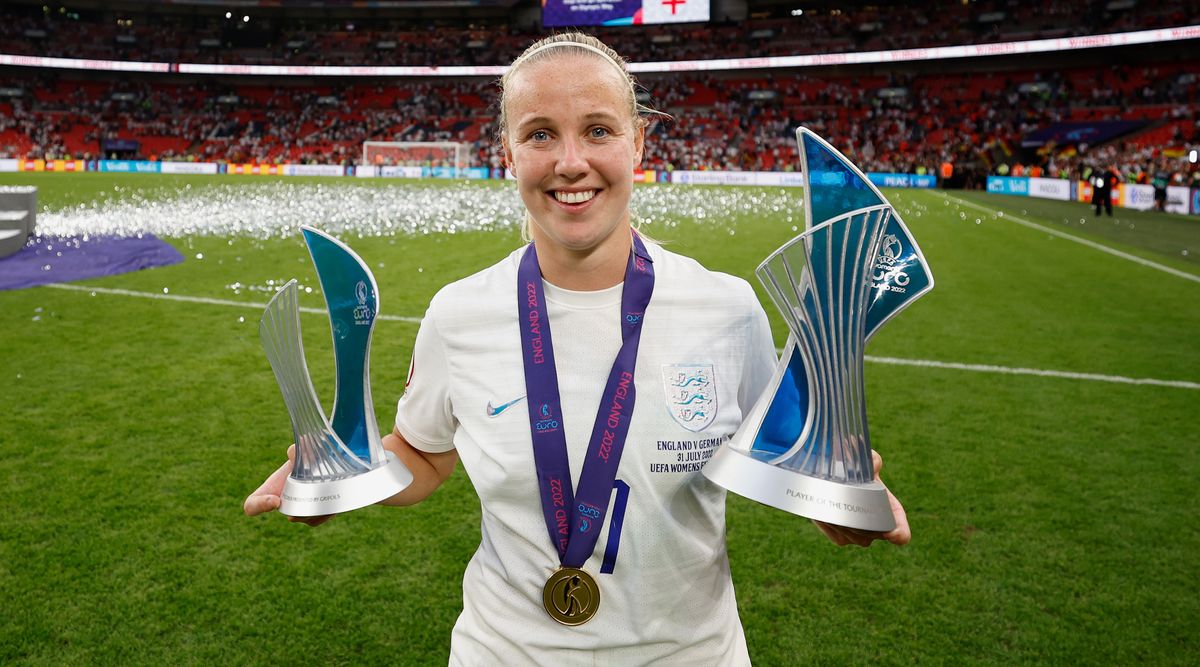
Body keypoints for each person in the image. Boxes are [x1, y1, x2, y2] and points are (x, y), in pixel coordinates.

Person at [245, 32, 910, 665]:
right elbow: (422, 453)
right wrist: (351, 474)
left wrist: (836, 494)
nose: (570, 162)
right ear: (509, 152)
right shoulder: (459, 313)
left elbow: (787, 448)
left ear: (638, 142)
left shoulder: (728, 309)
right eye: (540, 134)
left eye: (597, 130)